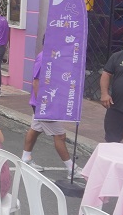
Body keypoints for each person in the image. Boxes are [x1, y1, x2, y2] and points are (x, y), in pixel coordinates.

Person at [23, 47, 82, 175]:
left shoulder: (57, 55)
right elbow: (36, 82)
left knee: (35, 129)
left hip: (47, 103)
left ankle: (25, 158)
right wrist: (42, 105)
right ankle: (72, 169)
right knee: (60, 136)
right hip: (44, 105)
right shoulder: (44, 56)